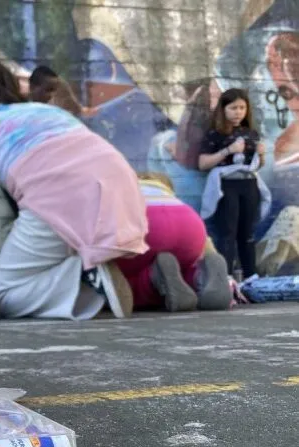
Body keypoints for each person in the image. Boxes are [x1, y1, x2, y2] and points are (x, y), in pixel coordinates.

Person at [0, 59, 148, 320]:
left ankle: (84, 277)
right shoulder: (45, 112)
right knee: (46, 260)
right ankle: (100, 279)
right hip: (119, 182)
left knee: (1, 295)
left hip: (58, 194)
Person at [116, 172, 232, 312]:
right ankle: (200, 276)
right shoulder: (167, 193)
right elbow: (206, 245)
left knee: (120, 276)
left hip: (149, 222)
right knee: (186, 267)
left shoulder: (124, 187)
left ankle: (154, 276)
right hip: (189, 222)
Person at [198, 88, 271, 280]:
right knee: (227, 234)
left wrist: (261, 155)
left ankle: (250, 278)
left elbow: (256, 166)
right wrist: (228, 150)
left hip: (249, 185)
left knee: (247, 234)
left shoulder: (251, 133)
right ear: (223, 109)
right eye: (233, 108)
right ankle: (226, 279)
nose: (238, 112)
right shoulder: (215, 134)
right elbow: (203, 163)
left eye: (242, 108)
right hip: (226, 186)